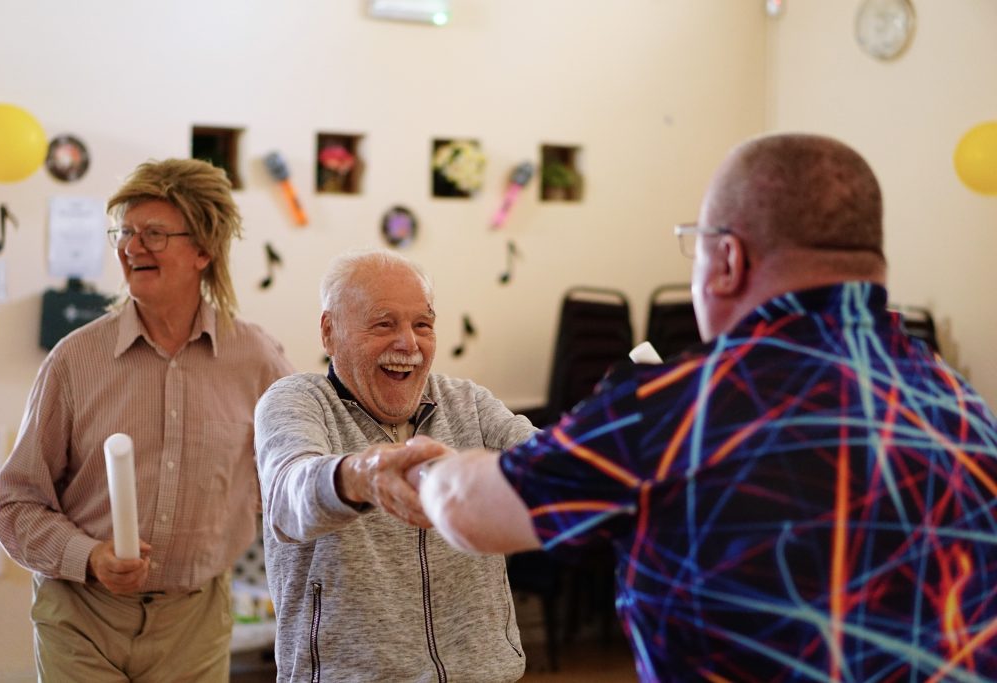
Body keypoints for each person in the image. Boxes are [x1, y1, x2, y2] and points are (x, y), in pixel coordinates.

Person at [402, 133, 997, 681]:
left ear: (729, 260)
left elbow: (469, 509)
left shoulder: (676, 408)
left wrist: (428, 466)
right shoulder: (963, 406)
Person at [0, 158, 294, 682]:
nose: (131, 247)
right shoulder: (74, 359)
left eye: (153, 233)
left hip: (195, 622)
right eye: (124, 233)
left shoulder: (257, 359)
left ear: (204, 249)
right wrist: (89, 555)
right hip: (81, 615)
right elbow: (13, 506)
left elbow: (292, 478)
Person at [254, 248, 534, 682]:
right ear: (330, 333)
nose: (409, 344)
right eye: (384, 324)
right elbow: (289, 497)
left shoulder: (469, 403)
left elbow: (544, 460)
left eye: (423, 325)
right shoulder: (296, 400)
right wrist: (361, 477)